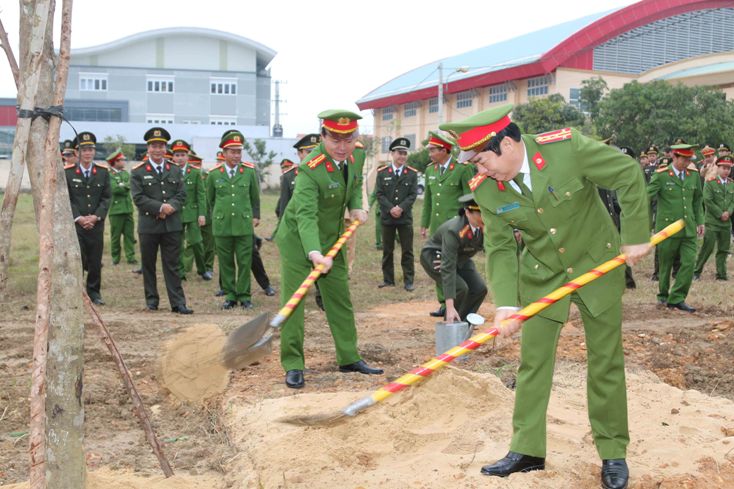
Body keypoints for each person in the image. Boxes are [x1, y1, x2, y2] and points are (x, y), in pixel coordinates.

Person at [440, 103, 650, 489]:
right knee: (533, 363)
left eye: (483, 160)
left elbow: (627, 172)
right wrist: (506, 303)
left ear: (505, 143)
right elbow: (501, 248)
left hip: (596, 265)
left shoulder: (567, 148)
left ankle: (612, 452)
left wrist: (635, 234)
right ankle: (527, 449)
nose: (480, 170)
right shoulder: (486, 188)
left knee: (604, 361)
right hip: (542, 276)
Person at [275, 109, 382, 389]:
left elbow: (356, 180)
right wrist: (314, 254)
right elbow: (305, 216)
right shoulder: (310, 168)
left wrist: (356, 205)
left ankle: (348, 357)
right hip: (299, 242)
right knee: (294, 301)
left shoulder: (356, 155)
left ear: (356, 138)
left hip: (333, 239)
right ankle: (293, 363)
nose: (342, 147)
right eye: (335, 140)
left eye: (348, 139)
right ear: (322, 136)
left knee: (339, 298)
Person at [130, 127, 192, 314]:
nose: (158, 150)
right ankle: (152, 301)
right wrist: (159, 208)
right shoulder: (138, 171)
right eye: (154, 146)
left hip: (171, 225)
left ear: (166, 149)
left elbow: (182, 194)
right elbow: (138, 198)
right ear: (148, 148)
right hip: (149, 225)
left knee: (172, 265)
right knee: (148, 265)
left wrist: (170, 206)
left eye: (161, 146)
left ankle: (178, 303)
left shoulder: (174, 169)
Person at [420, 131, 474, 317]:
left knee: (458, 263)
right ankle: (444, 303)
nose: (430, 154)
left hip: (457, 228)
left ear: (444, 150)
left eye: (433, 150)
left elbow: (470, 199)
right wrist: (424, 223)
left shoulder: (462, 168)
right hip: (438, 228)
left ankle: (460, 299)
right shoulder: (430, 170)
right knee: (439, 264)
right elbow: (428, 200)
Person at [206, 130, 260, 309]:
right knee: (226, 261)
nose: (236, 155)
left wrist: (256, 215)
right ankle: (230, 295)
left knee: (245, 261)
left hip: (243, 224)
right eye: (232, 151)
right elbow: (210, 199)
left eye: (239, 151)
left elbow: (255, 197)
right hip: (222, 225)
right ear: (223, 153)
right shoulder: (213, 174)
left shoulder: (249, 171)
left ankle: (244, 296)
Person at [648, 139, 704, 312]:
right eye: (684, 160)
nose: (687, 163)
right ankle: (663, 296)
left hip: (688, 228)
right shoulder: (661, 175)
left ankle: (677, 298)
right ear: (674, 156)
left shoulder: (693, 175)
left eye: (689, 160)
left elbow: (697, 200)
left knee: (688, 263)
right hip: (667, 229)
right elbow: (647, 196)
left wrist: (700, 221)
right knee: (665, 264)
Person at [420, 195, 487, 322]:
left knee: (479, 289)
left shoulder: (483, 226)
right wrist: (449, 307)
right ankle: (451, 322)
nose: (484, 217)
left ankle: (463, 323)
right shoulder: (454, 230)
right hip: (435, 256)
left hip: (460, 257)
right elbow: (447, 268)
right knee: (460, 288)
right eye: (480, 213)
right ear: (468, 212)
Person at [64, 131, 111, 305]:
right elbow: (67, 199)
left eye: (91, 149)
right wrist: (79, 218)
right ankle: (77, 292)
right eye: (84, 149)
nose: (88, 153)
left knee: (95, 260)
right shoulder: (68, 173)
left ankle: (94, 293)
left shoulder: (102, 172)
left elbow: (106, 198)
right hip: (77, 225)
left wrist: (96, 217)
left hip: (96, 224)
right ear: (77, 152)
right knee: (77, 260)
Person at [376, 137, 418, 291]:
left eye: (405, 153)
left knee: (407, 251)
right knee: (388, 250)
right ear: (392, 154)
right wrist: (390, 209)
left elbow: (413, 195)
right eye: (399, 153)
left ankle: (409, 281)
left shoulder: (412, 174)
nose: (402, 156)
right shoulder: (382, 173)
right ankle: (388, 280)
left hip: (404, 218)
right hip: (388, 218)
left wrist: (400, 208)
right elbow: (379, 194)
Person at [170, 139, 211, 282]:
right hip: (175, 213)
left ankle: (202, 270)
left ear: (188, 156)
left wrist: (202, 214)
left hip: (192, 213)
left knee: (196, 242)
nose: (180, 158)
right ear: (173, 157)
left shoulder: (194, 172)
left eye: (182, 155)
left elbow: (201, 194)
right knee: (177, 244)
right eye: (177, 155)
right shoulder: (170, 171)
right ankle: (180, 272)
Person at [694, 156, 733, 280]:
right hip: (712, 222)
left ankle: (721, 274)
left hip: (726, 223)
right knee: (707, 248)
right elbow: (708, 201)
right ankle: (696, 272)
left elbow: (733, 201)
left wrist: (729, 212)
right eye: (723, 168)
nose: (726, 171)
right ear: (718, 168)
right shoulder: (710, 182)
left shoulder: (731, 184)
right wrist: (720, 213)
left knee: (723, 249)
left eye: (728, 168)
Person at [181, 151, 215, 279]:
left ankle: (207, 267)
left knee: (207, 243)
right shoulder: (185, 174)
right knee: (190, 243)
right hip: (192, 213)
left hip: (208, 213)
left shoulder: (208, 175)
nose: (196, 166)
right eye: (193, 163)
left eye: (197, 164)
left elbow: (207, 196)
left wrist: (206, 213)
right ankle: (185, 268)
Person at [106, 149, 138, 268]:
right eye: (121, 160)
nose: (124, 162)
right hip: (116, 210)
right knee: (116, 236)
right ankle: (115, 258)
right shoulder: (109, 175)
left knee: (129, 235)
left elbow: (129, 185)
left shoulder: (125, 174)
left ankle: (131, 257)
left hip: (128, 209)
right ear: (115, 161)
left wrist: (123, 186)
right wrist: (123, 186)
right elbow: (114, 189)